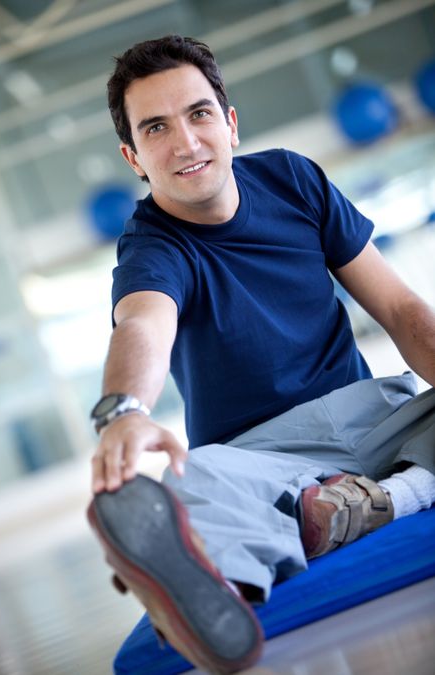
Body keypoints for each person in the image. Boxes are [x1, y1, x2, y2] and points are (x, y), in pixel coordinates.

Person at [87, 35, 435, 673]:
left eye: (198, 114)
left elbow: (403, 311)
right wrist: (125, 412)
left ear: (230, 122)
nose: (186, 143)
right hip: (260, 460)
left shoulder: (293, 179)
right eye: (156, 128)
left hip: (378, 420)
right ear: (133, 158)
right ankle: (210, 587)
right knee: (194, 488)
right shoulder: (150, 248)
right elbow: (141, 325)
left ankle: (373, 503)